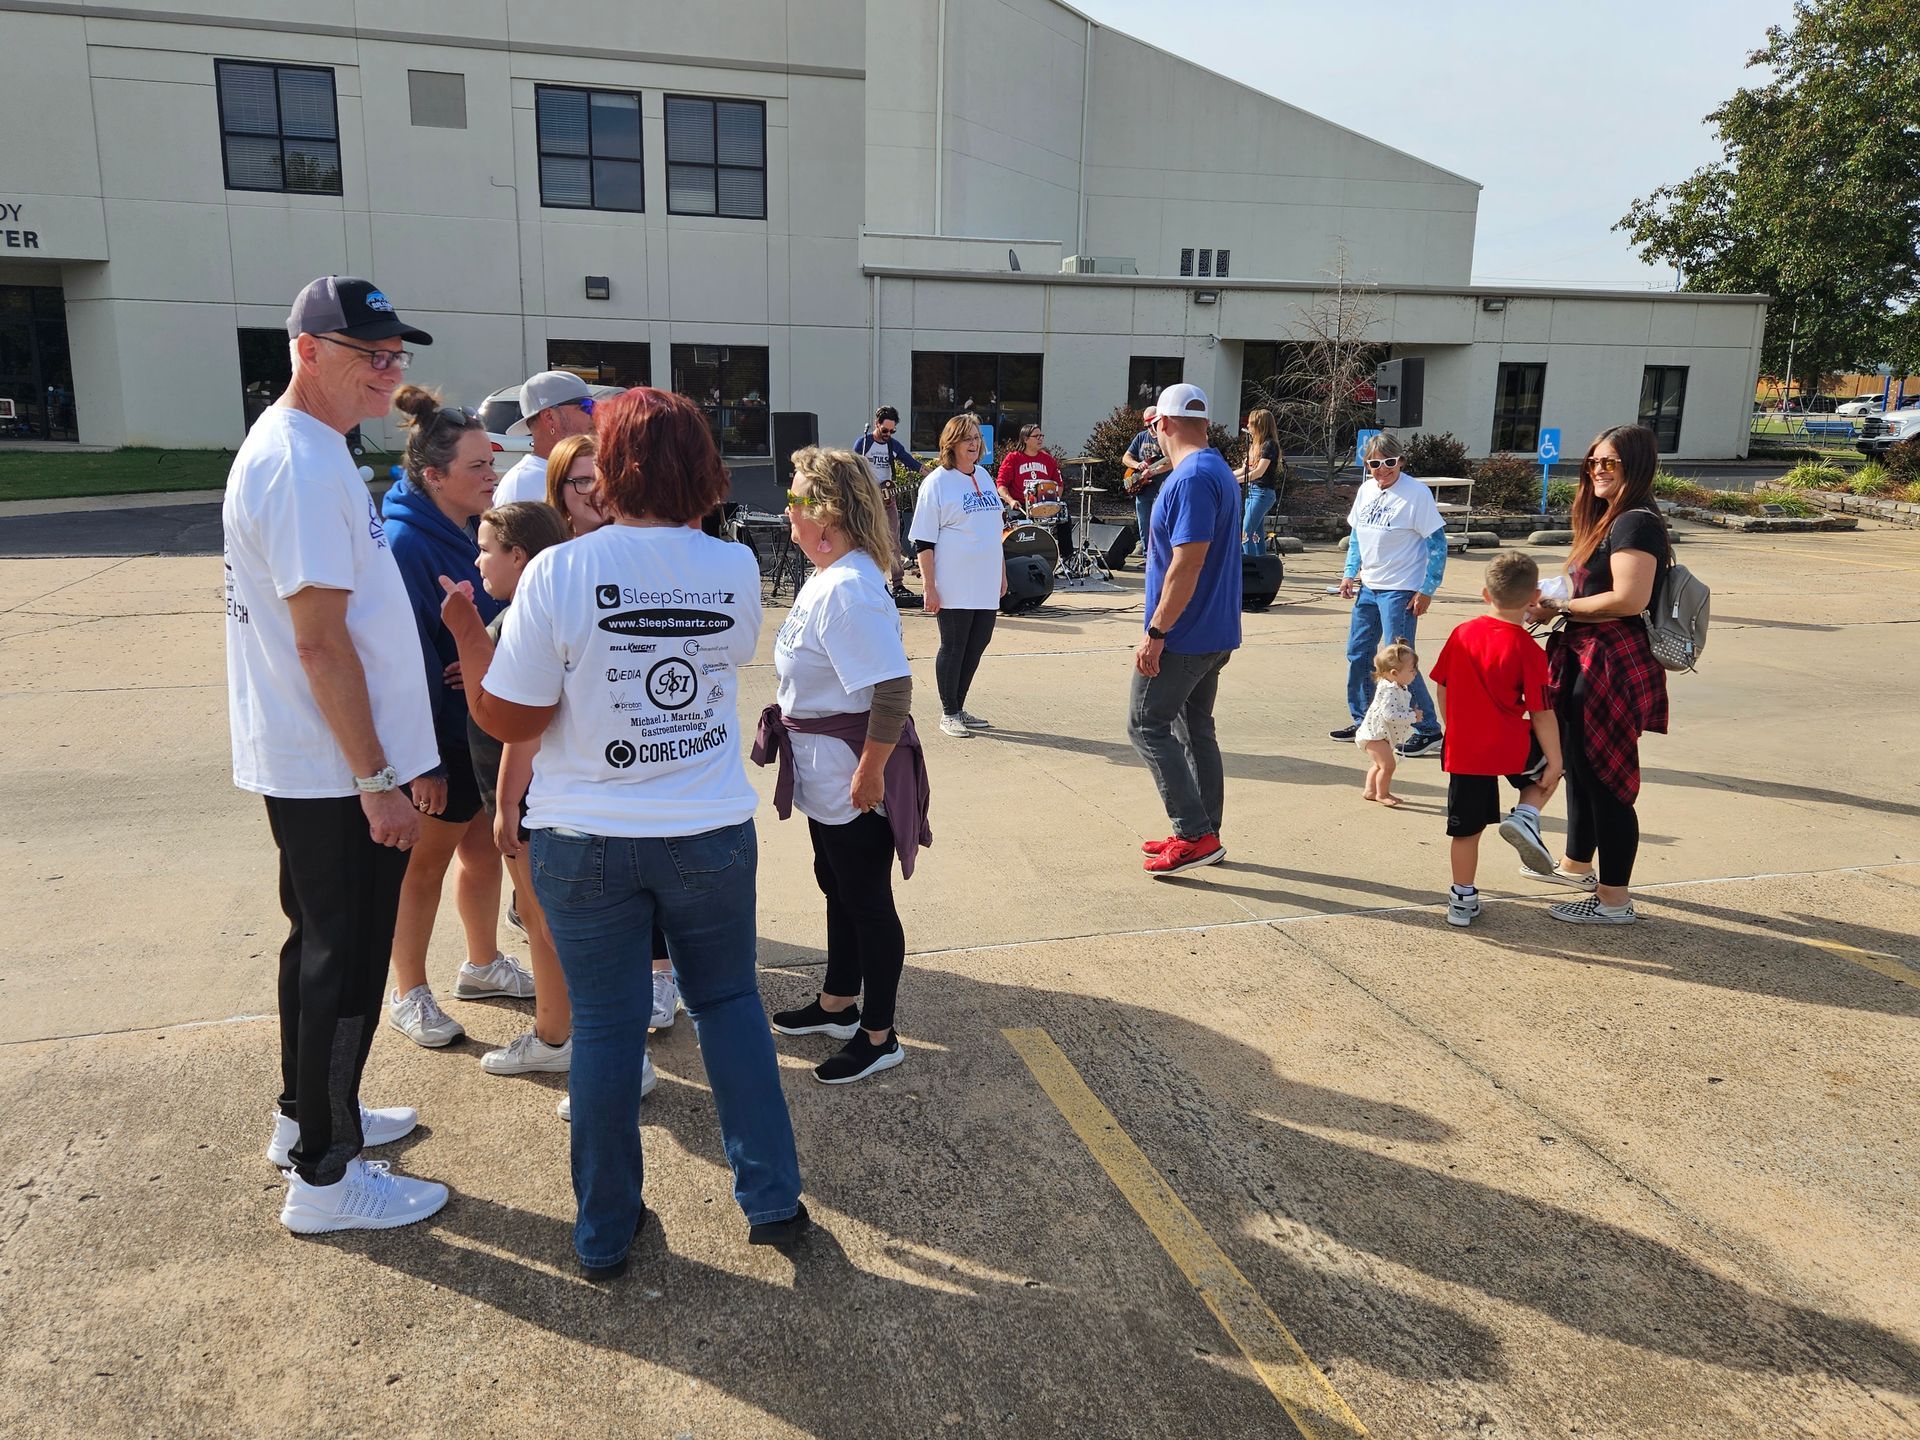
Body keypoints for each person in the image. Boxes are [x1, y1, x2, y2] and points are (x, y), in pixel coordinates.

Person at [446, 387, 808, 1277]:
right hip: (709, 825)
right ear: (702, 469)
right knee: (728, 1005)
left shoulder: (561, 573)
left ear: (610, 468)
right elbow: (713, 663)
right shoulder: (729, 570)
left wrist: (467, 636)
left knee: (605, 1028)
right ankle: (771, 1197)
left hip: (586, 833)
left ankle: (605, 1229)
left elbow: (506, 717)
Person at [223, 273, 446, 1233]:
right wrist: (376, 778)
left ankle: (308, 1118)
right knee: (344, 963)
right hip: (337, 772)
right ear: (308, 350)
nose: (389, 374)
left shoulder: (310, 450)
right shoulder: (304, 464)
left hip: (322, 765)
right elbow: (320, 640)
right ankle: (325, 1175)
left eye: (397, 356)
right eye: (370, 355)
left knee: (317, 947)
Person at [752, 447, 929, 1084]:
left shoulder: (849, 590)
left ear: (826, 514)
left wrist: (870, 773)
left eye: (796, 500)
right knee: (837, 883)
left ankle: (879, 1035)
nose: (786, 511)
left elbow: (892, 690)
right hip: (828, 770)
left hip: (855, 772)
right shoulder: (831, 579)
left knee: (866, 899)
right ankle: (837, 1002)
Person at [381, 389, 535, 1048]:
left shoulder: (464, 528)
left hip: (474, 727)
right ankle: (408, 991)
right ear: (433, 476)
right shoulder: (405, 544)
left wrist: (477, 651)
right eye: (476, 467)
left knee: (481, 851)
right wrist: (424, 765)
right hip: (438, 738)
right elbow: (401, 659)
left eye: (491, 462)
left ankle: (480, 963)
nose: (492, 476)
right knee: (426, 866)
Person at [541, 431, 683, 1030]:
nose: (594, 490)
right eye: (579, 480)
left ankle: (660, 976)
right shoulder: (552, 567)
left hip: (654, 752)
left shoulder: (652, 553)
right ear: (559, 492)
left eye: (603, 476)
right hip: (578, 768)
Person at [1523, 424, 1670, 925]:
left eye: (1610, 463)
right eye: (1593, 462)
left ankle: (1614, 901)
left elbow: (1629, 598)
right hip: (1588, 651)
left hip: (1609, 659)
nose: (1598, 471)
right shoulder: (1613, 519)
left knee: (1605, 780)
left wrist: (1559, 606)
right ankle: (1577, 864)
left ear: (1636, 466)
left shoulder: (1635, 523)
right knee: (1582, 771)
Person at [466, 500, 576, 1076]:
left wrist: (465, 631)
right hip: (530, 802)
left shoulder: (521, 622)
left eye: (487, 549)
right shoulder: (527, 614)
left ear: (519, 556)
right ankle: (559, 1033)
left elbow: (515, 725)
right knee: (541, 921)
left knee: (545, 924)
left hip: (531, 805)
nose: (478, 560)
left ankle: (559, 1039)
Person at [1129, 383, 1242, 876]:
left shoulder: (1191, 476)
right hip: (1213, 631)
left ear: (1164, 425)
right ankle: (1204, 832)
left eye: (1153, 425)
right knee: (1195, 730)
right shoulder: (1216, 468)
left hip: (1184, 635)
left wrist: (1156, 632)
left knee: (1145, 723)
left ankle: (1194, 833)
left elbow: (1187, 564)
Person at [1431, 552, 1567, 927]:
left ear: (1485, 594)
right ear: (1535, 597)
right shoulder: (1528, 649)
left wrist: (1451, 725)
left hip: (1465, 747)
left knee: (1466, 830)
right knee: (1545, 771)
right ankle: (1525, 816)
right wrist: (1556, 760)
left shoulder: (1462, 634)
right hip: (1510, 743)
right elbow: (1541, 712)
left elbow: (1442, 686)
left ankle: (1462, 899)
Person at [1332, 432, 1447, 758]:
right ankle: (1364, 719)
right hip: (1369, 585)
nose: (1382, 470)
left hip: (1400, 589)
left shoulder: (1416, 494)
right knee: (1358, 653)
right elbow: (1357, 537)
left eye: (1389, 462)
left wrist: (1427, 589)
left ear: (1401, 461)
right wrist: (1349, 573)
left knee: (1399, 661)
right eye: (1374, 464)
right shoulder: (1366, 490)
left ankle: (1428, 730)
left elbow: (1437, 545)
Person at [909, 413, 1007, 739]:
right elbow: (923, 540)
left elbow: (995, 530)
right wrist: (929, 586)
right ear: (951, 444)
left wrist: (1002, 574)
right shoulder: (936, 483)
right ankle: (948, 711)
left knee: (978, 643)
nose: (975, 445)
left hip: (985, 581)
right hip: (953, 583)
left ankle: (959, 705)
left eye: (977, 439)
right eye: (968, 439)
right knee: (954, 645)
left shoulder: (985, 476)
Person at [852, 405, 922, 598]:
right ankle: (872, 581)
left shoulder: (893, 445)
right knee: (867, 541)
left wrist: (930, 473)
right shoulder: (863, 444)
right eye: (885, 430)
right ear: (876, 424)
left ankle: (898, 583)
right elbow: (852, 469)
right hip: (868, 500)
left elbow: (910, 461)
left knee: (893, 541)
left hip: (888, 499)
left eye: (892, 431)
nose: (888, 434)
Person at [496, 371, 596, 506]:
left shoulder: (582, 470)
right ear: (549, 417)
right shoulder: (523, 485)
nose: (594, 414)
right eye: (587, 406)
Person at [1353, 640, 1421, 807]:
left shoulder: (1395, 685)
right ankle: (1382, 794)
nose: (1415, 673)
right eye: (1412, 670)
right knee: (1388, 766)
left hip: (1379, 734)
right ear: (1394, 673)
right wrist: (1413, 716)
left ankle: (1370, 791)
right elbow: (1390, 715)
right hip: (1375, 735)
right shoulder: (1390, 690)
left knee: (1378, 764)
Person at [997, 423, 1072, 561]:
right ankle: (1013, 559)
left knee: (1065, 517)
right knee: (1014, 519)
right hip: (1020, 505)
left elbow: (1059, 485)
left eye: (1041, 436)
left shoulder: (1048, 460)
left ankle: (1067, 559)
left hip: (1044, 504)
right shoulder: (1013, 458)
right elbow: (1001, 485)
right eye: (1036, 436)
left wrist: (1054, 502)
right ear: (1025, 439)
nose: (1040, 439)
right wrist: (1011, 501)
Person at [1122, 405, 1169, 561]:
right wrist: (1138, 465)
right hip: (1143, 488)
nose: (1149, 428)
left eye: (1151, 424)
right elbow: (1126, 458)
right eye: (1146, 425)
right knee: (1144, 524)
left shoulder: (1166, 438)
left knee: (1159, 523)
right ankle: (1147, 557)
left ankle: (1159, 556)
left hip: (1162, 487)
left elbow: (1172, 462)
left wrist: (1154, 471)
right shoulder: (1141, 437)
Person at [1236, 409, 1281, 557]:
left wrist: (1235, 481)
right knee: (1256, 533)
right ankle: (1261, 564)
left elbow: (1258, 472)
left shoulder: (1270, 445)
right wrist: (1225, 475)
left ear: (1260, 425)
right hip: (1251, 491)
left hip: (1262, 493)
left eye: (1251, 423)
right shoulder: (1255, 445)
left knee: (1245, 533)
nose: (1247, 425)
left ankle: (1250, 566)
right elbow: (1245, 469)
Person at [545, 431, 607, 538]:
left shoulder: (636, 546)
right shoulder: (543, 548)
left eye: (606, 480)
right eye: (584, 481)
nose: (599, 491)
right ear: (558, 488)